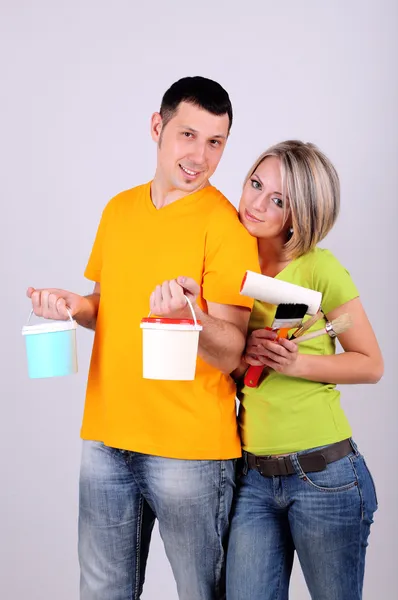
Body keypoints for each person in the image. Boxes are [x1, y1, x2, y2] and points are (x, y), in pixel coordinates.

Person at [26, 76, 260, 600]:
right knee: (102, 591)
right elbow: (104, 307)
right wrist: (71, 306)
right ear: (158, 126)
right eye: (188, 135)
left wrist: (193, 315)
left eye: (216, 142)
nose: (200, 155)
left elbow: (232, 352)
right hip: (107, 440)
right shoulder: (118, 210)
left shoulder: (226, 228)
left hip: (190, 453)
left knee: (202, 593)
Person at [226, 140, 383, 600]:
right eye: (255, 183)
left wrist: (299, 362)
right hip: (252, 478)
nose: (257, 203)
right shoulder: (227, 260)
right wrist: (243, 358)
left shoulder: (320, 268)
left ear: (301, 213)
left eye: (278, 199)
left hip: (325, 476)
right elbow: (227, 366)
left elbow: (371, 364)